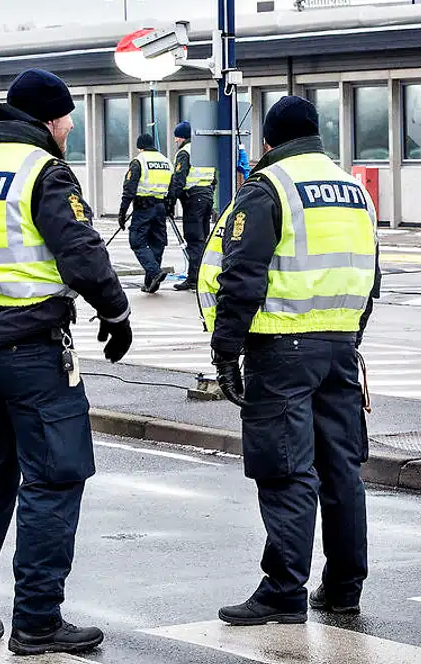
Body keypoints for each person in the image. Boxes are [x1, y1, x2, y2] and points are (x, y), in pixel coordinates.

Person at [0, 68, 133, 656]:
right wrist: (115, 314)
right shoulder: (44, 171)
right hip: (33, 351)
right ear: (48, 120)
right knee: (54, 478)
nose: (69, 129)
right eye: (67, 119)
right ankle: (38, 621)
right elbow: (81, 251)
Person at [199, 95, 379, 625]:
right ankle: (345, 586)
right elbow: (370, 273)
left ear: (270, 141)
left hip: (281, 349)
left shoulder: (268, 187)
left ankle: (283, 590)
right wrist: (350, 334)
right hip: (340, 346)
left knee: (286, 471)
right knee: (342, 469)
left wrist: (226, 350)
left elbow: (241, 278)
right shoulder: (353, 190)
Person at [167, 120, 218, 292]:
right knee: (203, 238)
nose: (175, 141)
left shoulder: (185, 152)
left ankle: (194, 278)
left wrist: (170, 203)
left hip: (193, 199)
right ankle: (202, 275)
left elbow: (178, 180)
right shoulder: (205, 151)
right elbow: (214, 178)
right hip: (207, 197)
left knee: (194, 240)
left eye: (177, 137)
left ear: (183, 138)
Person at [119, 133, 172, 293]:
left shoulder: (139, 161)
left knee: (137, 240)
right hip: (160, 207)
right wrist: (169, 207)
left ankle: (155, 273)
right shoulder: (166, 161)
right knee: (157, 242)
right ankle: (150, 283)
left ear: (140, 147)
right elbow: (173, 186)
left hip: (143, 207)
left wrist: (122, 212)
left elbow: (129, 188)